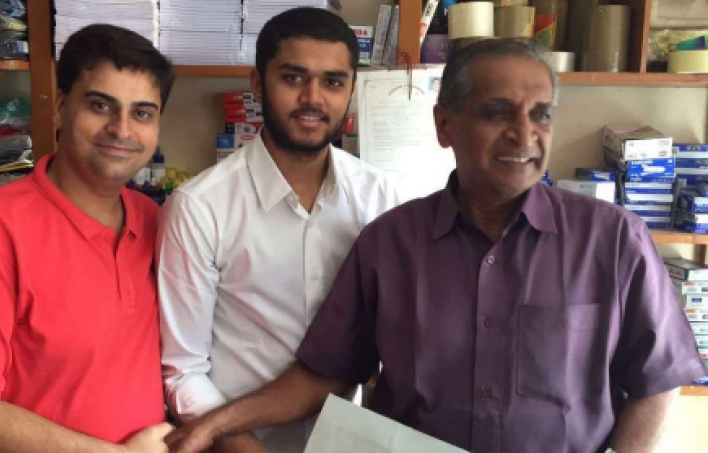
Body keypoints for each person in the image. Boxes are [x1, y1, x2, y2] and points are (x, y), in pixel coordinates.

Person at [166, 39, 707, 453]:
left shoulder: (612, 239)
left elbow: (657, 381)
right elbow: (326, 371)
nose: (524, 135)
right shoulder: (390, 242)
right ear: (444, 125)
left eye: (540, 114)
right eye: (498, 112)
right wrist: (215, 425)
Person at [0, 24, 175, 453]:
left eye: (142, 113)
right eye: (101, 105)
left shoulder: (157, 222)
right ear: (61, 108)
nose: (122, 129)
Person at [156, 7, 401, 453]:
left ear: (351, 89)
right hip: (231, 444)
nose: (313, 98)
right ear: (257, 84)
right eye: (293, 78)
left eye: (333, 82)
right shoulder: (200, 207)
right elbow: (183, 371)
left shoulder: (381, 198)